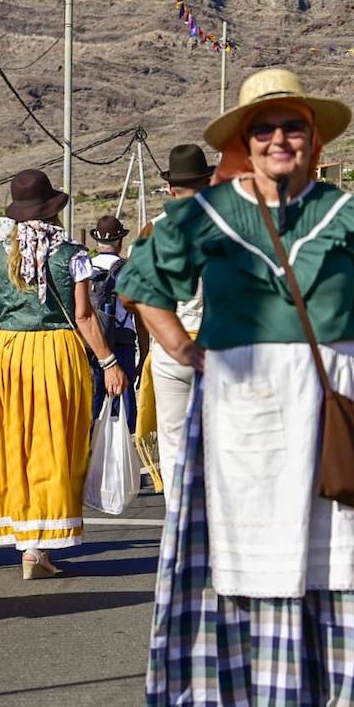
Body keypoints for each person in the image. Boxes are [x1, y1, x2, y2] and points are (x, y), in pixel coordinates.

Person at [119, 68, 354, 707]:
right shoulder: (203, 216)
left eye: (292, 126)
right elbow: (142, 285)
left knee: (343, 566)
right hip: (247, 414)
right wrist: (182, 347)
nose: (278, 139)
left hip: (339, 403)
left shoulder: (353, 217)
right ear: (243, 141)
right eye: (262, 128)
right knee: (267, 568)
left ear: (314, 136)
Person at [0, 169, 128, 579]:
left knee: (14, 443)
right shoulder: (72, 256)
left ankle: (28, 546)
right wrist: (110, 362)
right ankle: (41, 544)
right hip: (57, 354)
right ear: (53, 211)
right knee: (54, 442)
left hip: (9, 353)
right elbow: (83, 315)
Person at [135, 143, 215, 495]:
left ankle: (179, 519)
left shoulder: (153, 230)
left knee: (173, 440)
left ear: (171, 188)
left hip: (170, 346)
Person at [89, 215, 138, 430]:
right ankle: (125, 444)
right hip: (122, 340)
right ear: (120, 242)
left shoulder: (86, 267)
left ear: (97, 242)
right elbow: (139, 311)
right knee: (124, 397)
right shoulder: (128, 270)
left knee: (95, 395)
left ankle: (91, 443)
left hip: (93, 341)